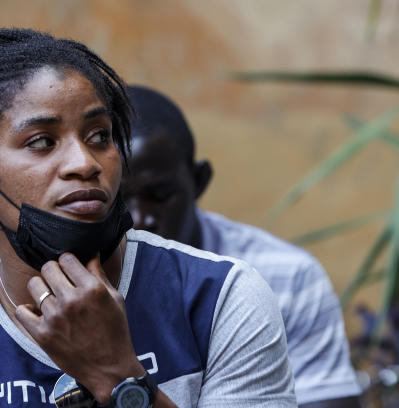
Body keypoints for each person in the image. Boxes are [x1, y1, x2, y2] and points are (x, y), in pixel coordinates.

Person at [0, 29, 296, 407]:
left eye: (99, 137)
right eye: (41, 142)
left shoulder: (221, 298)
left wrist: (117, 377)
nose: (84, 162)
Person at [122, 86, 362, 408]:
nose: (140, 218)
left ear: (199, 180)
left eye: (160, 195)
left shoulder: (287, 278)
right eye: (119, 201)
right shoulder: (69, 283)